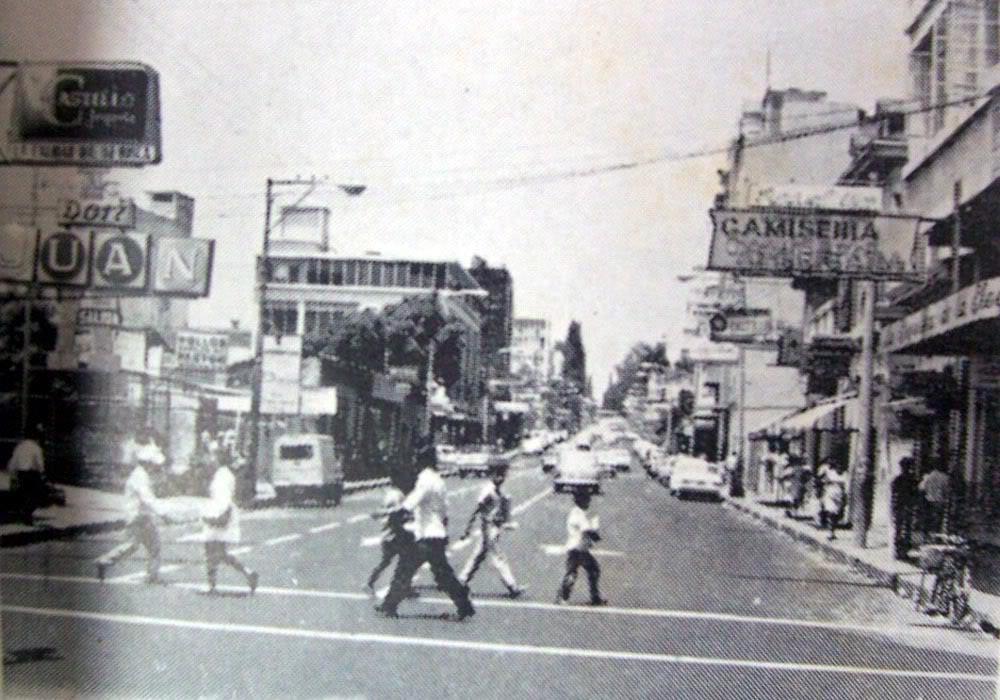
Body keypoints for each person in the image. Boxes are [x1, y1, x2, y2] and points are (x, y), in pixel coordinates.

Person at [376, 445, 475, 620]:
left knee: (404, 570)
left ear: (423, 461)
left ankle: (388, 605)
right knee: (443, 576)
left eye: (417, 460)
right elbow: (445, 510)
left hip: (426, 536)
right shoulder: (439, 480)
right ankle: (464, 605)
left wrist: (391, 513)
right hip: (437, 534)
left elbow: (411, 502)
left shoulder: (425, 479)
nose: (415, 463)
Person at [97, 429, 170, 583]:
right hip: (137, 517)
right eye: (154, 464)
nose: (156, 467)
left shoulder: (142, 475)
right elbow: (148, 499)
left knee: (152, 546)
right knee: (132, 546)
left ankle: (152, 576)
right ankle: (105, 561)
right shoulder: (140, 477)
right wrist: (163, 513)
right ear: (148, 463)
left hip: (142, 517)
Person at [458, 461, 525, 597]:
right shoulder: (488, 490)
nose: (502, 478)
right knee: (497, 557)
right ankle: (512, 586)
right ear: (493, 474)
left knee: (478, 556)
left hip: (493, 527)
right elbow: (477, 510)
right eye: (500, 475)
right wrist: (468, 528)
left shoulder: (497, 490)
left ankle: (461, 581)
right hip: (488, 527)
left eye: (504, 475)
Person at [202, 445, 258, 595]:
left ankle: (212, 586)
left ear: (220, 459)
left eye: (213, 457)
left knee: (212, 551)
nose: (210, 460)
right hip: (221, 512)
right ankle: (247, 573)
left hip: (219, 514)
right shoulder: (223, 474)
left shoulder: (222, 476)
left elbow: (224, 499)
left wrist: (217, 518)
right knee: (220, 553)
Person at [366, 469, 416, 597]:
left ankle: (370, 582)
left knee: (388, 561)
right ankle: (406, 587)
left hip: (389, 533)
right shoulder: (398, 495)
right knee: (406, 560)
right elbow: (397, 513)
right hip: (395, 534)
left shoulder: (391, 494)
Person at [556, 491, 607, 606]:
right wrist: (596, 535)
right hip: (578, 548)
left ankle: (563, 596)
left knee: (575, 572)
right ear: (581, 500)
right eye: (587, 499)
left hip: (576, 547)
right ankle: (592, 597)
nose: (588, 502)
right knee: (590, 570)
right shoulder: (578, 513)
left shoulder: (577, 512)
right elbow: (586, 529)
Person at [7, 426, 47, 524]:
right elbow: (39, 463)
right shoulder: (36, 448)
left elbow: (13, 461)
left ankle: (22, 515)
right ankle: (27, 515)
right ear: (36, 437)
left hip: (21, 473)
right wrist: (42, 473)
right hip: (32, 474)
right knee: (35, 495)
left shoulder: (20, 446)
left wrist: (12, 473)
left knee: (23, 494)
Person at [891, 457, 918, 560]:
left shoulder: (897, 480)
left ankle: (898, 551)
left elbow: (894, 495)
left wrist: (893, 508)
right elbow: (915, 495)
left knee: (899, 530)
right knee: (906, 530)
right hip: (907, 508)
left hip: (900, 507)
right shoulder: (913, 480)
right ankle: (903, 551)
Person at [817, 459, 847, 541]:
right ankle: (831, 533)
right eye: (838, 467)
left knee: (837, 515)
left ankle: (833, 531)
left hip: (839, 496)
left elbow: (846, 487)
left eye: (841, 467)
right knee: (831, 514)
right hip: (830, 495)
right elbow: (822, 480)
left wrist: (845, 497)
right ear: (835, 467)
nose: (839, 468)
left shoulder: (844, 475)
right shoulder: (831, 473)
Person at [918, 464, 950, 536]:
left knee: (928, 518)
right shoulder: (945, 477)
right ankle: (936, 535)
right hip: (939, 501)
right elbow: (947, 490)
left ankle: (926, 534)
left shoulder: (927, 477)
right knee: (938, 519)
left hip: (928, 500)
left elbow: (921, 488)